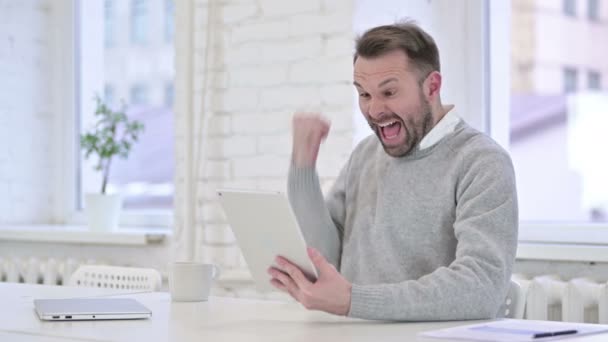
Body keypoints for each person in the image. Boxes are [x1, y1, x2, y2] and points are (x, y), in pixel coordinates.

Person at [267, 21, 518, 321]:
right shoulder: (365, 154)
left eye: (389, 92)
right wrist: (303, 169)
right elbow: (326, 261)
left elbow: (482, 288)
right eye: (364, 94)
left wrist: (353, 300)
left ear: (432, 87)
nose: (374, 111)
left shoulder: (481, 162)